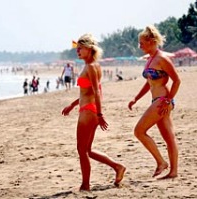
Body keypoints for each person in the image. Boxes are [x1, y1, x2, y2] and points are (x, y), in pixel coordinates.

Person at [62, 33, 126, 191]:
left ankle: (85, 185)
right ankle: (117, 167)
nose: (78, 51)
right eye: (77, 49)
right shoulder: (93, 65)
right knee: (87, 150)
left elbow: (97, 92)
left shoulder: (91, 67)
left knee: (81, 150)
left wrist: (100, 115)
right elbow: (87, 92)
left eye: (81, 48)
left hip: (89, 112)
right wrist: (72, 105)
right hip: (89, 109)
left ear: (90, 49)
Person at [128, 25, 181, 179]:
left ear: (151, 41)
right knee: (169, 137)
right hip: (156, 99)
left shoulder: (162, 58)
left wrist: (169, 100)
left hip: (162, 100)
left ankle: (161, 162)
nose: (140, 46)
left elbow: (177, 80)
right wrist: (136, 98)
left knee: (139, 131)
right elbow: (149, 82)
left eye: (142, 43)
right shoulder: (150, 59)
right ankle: (173, 172)